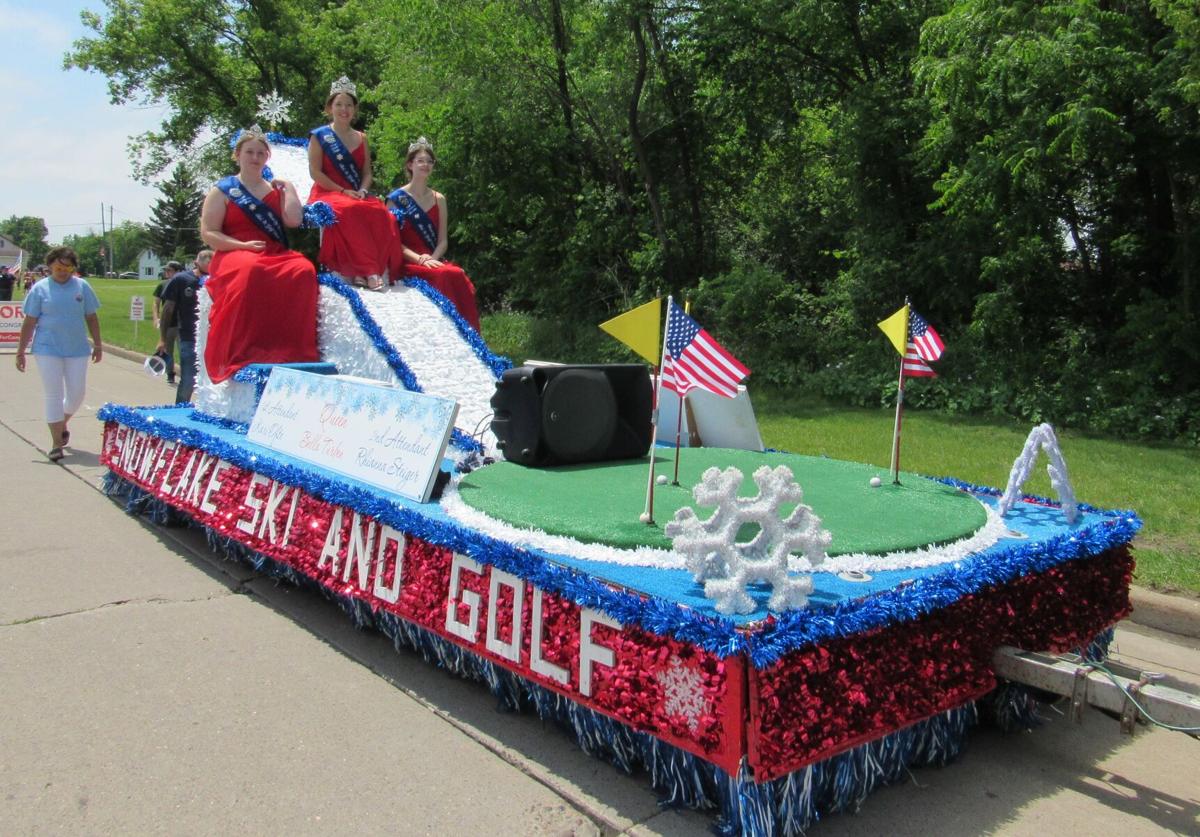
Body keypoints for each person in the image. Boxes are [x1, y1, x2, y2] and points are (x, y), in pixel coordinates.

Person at [199, 127, 320, 383]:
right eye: (249, 152)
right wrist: (240, 246)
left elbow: (294, 221)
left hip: (271, 251)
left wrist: (288, 188)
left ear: (267, 156)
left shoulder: (275, 189)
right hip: (233, 252)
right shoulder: (223, 191)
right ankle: (245, 349)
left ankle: (291, 350)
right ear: (238, 155)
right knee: (251, 271)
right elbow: (209, 234)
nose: (255, 158)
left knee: (304, 269)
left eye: (260, 153)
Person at [307, 76, 401, 292]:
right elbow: (315, 172)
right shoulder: (320, 136)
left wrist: (363, 189)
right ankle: (369, 271)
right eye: (339, 104)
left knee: (380, 212)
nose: (344, 109)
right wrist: (342, 190)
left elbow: (367, 172)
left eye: (349, 105)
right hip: (328, 191)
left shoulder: (361, 137)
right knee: (349, 208)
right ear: (330, 107)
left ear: (355, 109)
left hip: (356, 193)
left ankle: (361, 271)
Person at [13, 246, 102, 462]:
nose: (63, 271)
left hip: (77, 349)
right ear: (51, 265)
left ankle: (61, 423)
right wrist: (21, 351)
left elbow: (91, 316)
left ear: (73, 268)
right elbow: (30, 321)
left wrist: (98, 344)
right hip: (47, 348)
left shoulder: (82, 286)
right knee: (53, 393)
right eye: (59, 267)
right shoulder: (40, 289)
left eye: (68, 267)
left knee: (76, 394)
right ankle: (56, 443)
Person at [386, 137, 481, 330]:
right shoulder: (396, 199)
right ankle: (446, 330)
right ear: (410, 164)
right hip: (409, 261)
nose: (425, 165)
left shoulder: (440, 199)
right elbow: (392, 241)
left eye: (429, 161)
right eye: (420, 161)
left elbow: (443, 240)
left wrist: (433, 259)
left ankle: (467, 334)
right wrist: (421, 260)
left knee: (456, 274)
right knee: (446, 275)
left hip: (434, 260)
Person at [157, 256, 201, 403]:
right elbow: (166, 308)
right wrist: (162, 338)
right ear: (196, 263)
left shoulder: (218, 279)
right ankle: (180, 410)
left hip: (214, 338)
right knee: (188, 378)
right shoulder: (181, 280)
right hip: (187, 335)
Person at [153, 261, 184, 384]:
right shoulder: (163, 285)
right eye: (166, 270)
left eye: (169, 270)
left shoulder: (184, 283)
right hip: (168, 324)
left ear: (177, 271)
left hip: (182, 324)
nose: (166, 272)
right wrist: (156, 317)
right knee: (167, 350)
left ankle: (185, 375)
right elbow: (155, 303)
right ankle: (170, 373)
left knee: (184, 351)